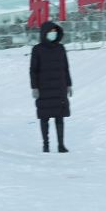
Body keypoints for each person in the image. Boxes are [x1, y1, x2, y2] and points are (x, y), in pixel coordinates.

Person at [30, 21, 73, 153]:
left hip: (59, 88)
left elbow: (66, 68)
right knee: (44, 118)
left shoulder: (60, 48)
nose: (53, 34)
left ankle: (61, 145)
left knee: (60, 117)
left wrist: (69, 84)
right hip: (44, 89)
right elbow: (33, 70)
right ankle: (46, 145)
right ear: (44, 33)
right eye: (50, 32)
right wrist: (34, 87)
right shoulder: (37, 49)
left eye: (55, 31)